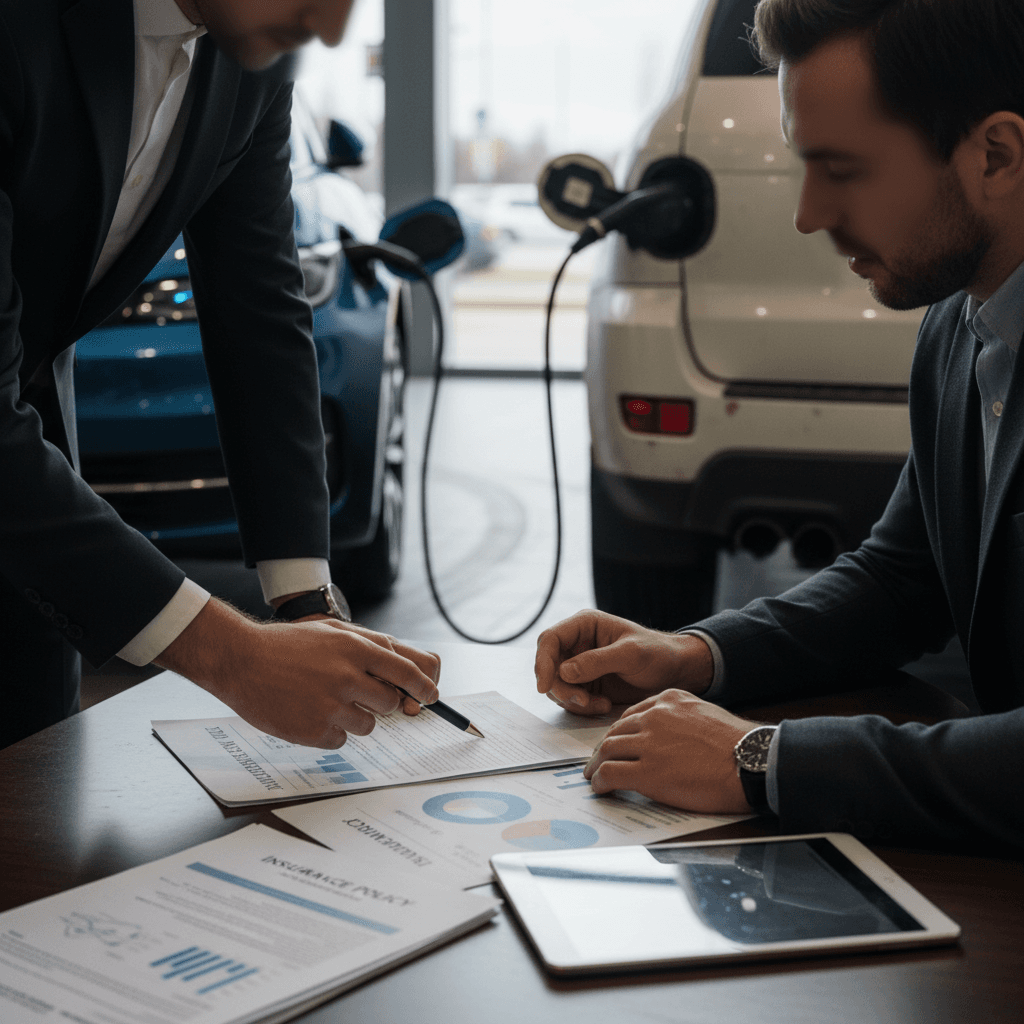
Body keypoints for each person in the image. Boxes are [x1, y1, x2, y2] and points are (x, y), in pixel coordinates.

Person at [535, 0, 1024, 850]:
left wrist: (766, 760)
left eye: (844, 169)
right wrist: (690, 655)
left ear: (996, 155)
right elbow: (901, 581)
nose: (809, 213)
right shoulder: (962, 324)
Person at [0, 0, 440, 751]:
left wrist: (304, 602)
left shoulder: (251, 51)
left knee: (30, 796)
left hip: (28, 515)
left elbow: (259, 305)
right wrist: (234, 658)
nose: (332, 27)